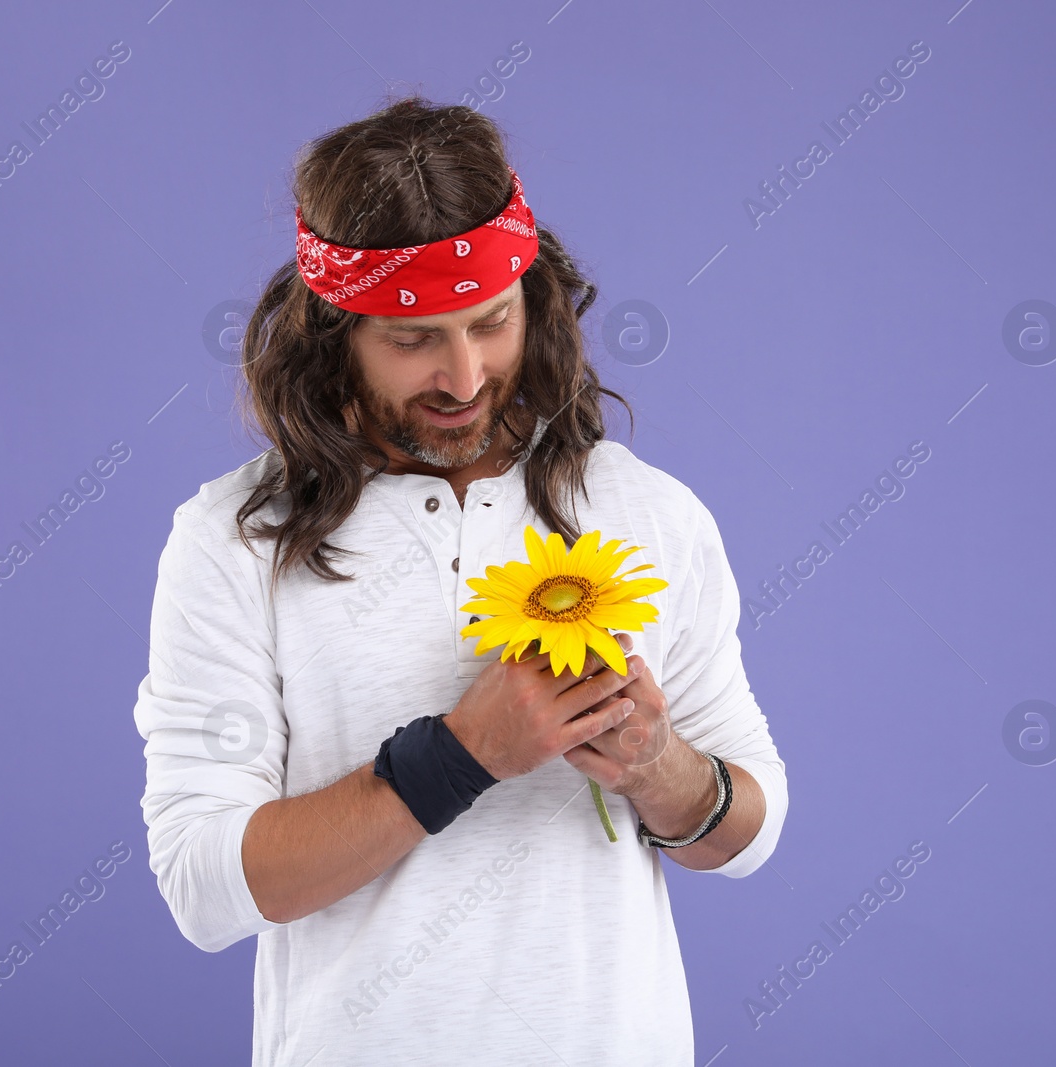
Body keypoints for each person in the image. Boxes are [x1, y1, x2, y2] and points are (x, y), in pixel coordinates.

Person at [133, 96, 788, 1066]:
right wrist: (462, 753)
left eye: (491, 320)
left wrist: (656, 762)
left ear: (535, 293)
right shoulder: (232, 542)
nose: (465, 373)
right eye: (412, 339)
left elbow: (746, 825)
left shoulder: (648, 511)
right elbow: (203, 886)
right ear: (333, 331)